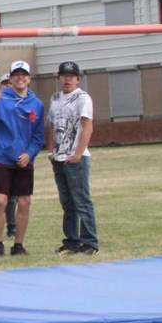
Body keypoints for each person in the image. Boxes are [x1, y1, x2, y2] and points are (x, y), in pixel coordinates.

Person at [0, 61, 45, 257]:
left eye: (24, 74)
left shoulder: (37, 105)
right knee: (0, 200)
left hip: (24, 160)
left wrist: (29, 154)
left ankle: (18, 245)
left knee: (24, 202)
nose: (20, 78)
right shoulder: (0, 100)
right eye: (16, 74)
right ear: (10, 78)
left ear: (29, 79)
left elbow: (38, 136)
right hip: (2, 158)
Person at [48, 61, 98, 255]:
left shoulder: (83, 98)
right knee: (67, 203)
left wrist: (77, 154)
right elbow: (52, 126)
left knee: (82, 201)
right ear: (59, 78)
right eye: (64, 75)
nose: (67, 78)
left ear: (78, 79)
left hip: (76, 158)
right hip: (59, 158)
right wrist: (51, 151)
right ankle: (71, 242)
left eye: (71, 75)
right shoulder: (55, 98)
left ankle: (90, 243)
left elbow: (87, 126)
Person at [0, 72, 17, 238]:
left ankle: (12, 227)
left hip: (15, 156)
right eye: (4, 84)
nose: (7, 87)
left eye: (9, 84)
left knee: (13, 197)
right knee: (0, 197)